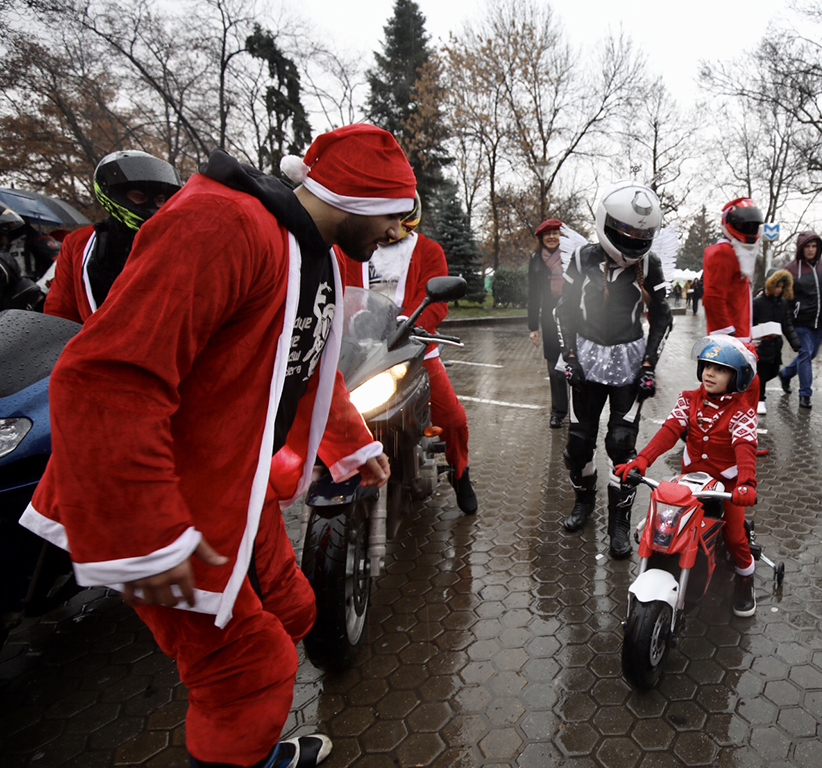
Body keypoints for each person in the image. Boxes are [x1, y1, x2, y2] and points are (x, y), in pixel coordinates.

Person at [18, 123, 418, 768]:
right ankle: (242, 753)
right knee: (249, 666)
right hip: (158, 498)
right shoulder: (222, 224)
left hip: (234, 483)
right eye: (393, 221)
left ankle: (249, 739)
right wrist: (149, 535)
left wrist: (351, 444)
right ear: (359, 202)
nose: (394, 238)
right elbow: (105, 377)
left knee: (292, 605)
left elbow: (306, 362)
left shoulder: (304, 247)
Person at [341, 194, 478, 514]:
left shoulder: (429, 250)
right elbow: (341, 289)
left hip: (413, 346)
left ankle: (461, 472)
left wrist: (411, 321)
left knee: (453, 419)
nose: (390, 230)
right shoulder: (351, 250)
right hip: (359, 350)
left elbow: (436, 301)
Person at [557, 181, 672, 559]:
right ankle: (583, 502)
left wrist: (650, 363)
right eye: (625, 231)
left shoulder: (650, 264)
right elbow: (565, 312)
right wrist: (570, 357)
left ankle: (619, 524)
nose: (633, 238)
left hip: (630, 363)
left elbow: (663, 317)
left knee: (622, 445)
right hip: (585, 360)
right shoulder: (582, 258)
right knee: (577, 446)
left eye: (641, 233)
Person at [615, 335, 761, 616]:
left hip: (727, 486)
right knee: (664, 525)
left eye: (720, 369)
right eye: (707, 365)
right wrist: (643, 458)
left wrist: (746, 483)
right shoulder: (688, 399)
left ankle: (745, 579)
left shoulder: (743, 412)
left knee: (734, 538)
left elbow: (745, 446)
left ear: (738, 376)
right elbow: (670, 430)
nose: (709, 373)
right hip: (691, 482)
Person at [44, 150, 184, 323]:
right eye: (139, 197)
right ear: (114, 193)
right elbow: (60, 310)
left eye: (159, 199)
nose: (151, 206)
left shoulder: (179, 240)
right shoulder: (79, 243)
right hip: (93, 344)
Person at [703, 197, 765, 407]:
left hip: (738, 336)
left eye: (752, 225)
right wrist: (728, 338)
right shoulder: (723, 253)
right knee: (726, 392)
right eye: (743, 225)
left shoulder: (735, 252)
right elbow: (713, 297)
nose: (748, 229)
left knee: (734, 391)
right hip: (731, 339)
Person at [778, 231, 822, 408]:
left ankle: (785, 374)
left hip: (819, 322)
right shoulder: (790, 269)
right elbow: (780, 292)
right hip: (800, 322)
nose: (811, 250)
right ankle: (805, 394)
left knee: (810, 354)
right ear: (801, 248)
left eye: (814, 246)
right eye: (807, 246)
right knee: (805, 354)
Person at [527, 218, 569, 428]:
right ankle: (558, 411)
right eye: (547, 234)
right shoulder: (536, 260)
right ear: (541, 238)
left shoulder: (572, 256)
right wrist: (533, 327)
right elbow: (533, 295)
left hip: (573, 316)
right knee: (554, 367)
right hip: (550, 319)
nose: (552, 237)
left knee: (577, 365)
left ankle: (581, 412)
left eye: (555, 233)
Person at [751, 268, 801, 415]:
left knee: (772, 371)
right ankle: (760, 400)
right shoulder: (758, 302)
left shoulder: (783, 304)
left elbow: (787, 324)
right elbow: (750, 323)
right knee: (762, 373)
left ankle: (756, 394)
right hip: (761, 345)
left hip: (775, 346)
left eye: (782, 287)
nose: (779, 290)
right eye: (777, 286)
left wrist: (794, 342)